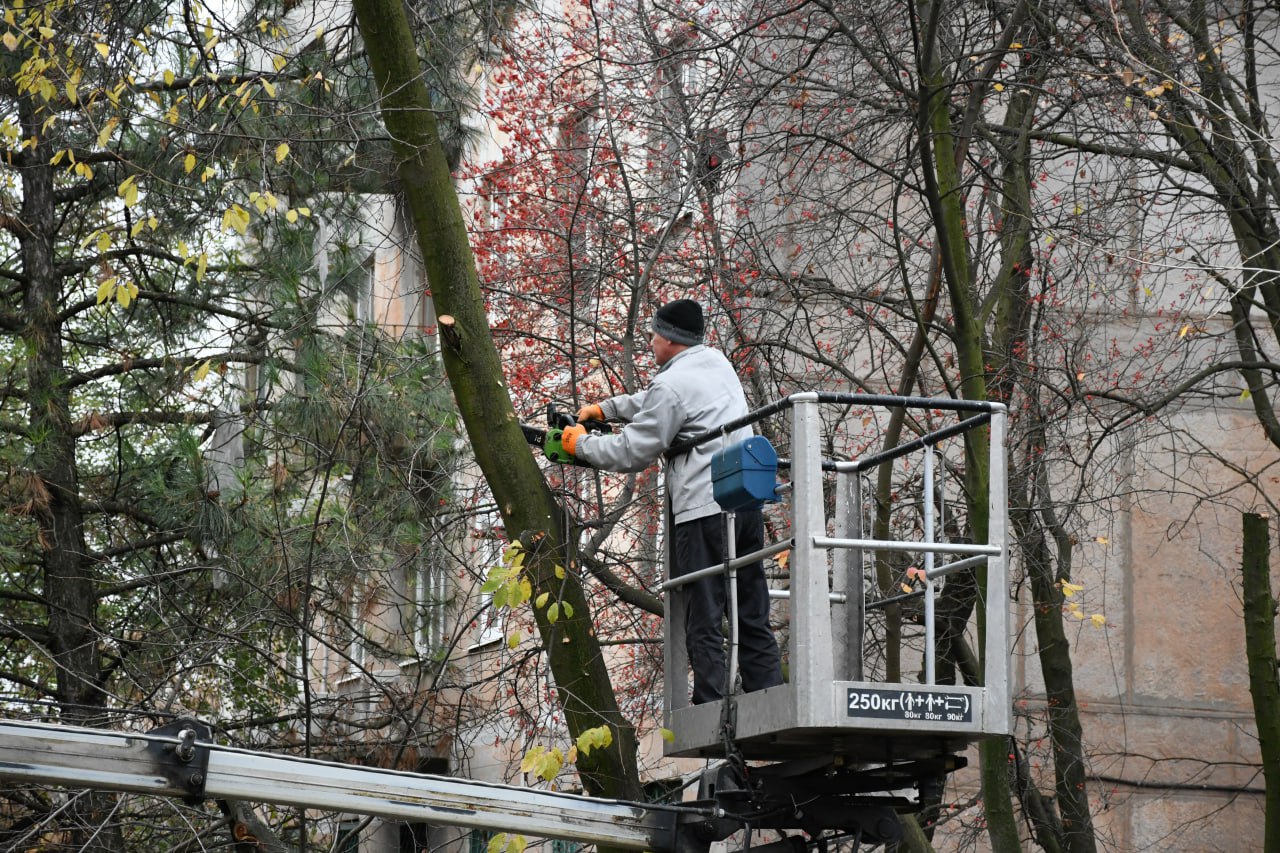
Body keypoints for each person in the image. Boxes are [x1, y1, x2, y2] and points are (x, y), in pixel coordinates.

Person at [558, 299, 783, 704]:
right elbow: (658, 402)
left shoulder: (672, 386)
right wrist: (607, 408)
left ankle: (711, 705)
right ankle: (767, 693)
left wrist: (582, 445)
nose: (649, 340)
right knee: (750, 607)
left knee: (704, 612)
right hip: (745, 505)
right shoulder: (715, 363)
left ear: (670, 339)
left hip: (703, 512)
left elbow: (632, 451)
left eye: (653, 334)